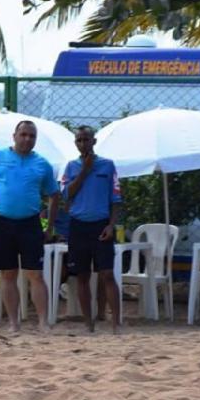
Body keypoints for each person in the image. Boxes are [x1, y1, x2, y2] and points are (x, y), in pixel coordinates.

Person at [0, 120, 58, 332]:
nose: (27, 139)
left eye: (32, 136)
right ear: (14, 136)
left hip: (30, 223)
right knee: (8, 274)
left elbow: (54, 195)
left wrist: (50, 226)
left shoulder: (42, 164)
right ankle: (13, 322)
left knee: (35, 274)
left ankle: (43, 322)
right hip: (2, 222)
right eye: (24, 134)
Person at [56, 126, 123, 333]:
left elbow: (116, 200)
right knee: (82, 276)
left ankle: (115, 323)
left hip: (101, 225)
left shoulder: (108, 166)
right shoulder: (70, 167)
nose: (83, 144)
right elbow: (67, 195)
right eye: (79, 140)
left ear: (94, 141)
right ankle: (89, 323)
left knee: (107, 274)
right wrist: (84, 171)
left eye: (86, 140)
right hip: (78, 226)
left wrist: (111, 225)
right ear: (75, 143)